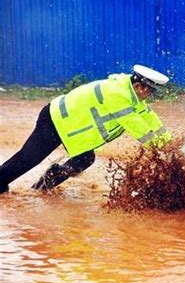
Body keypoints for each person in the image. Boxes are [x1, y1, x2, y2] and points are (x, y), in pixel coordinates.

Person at [0, 65, 173, 193]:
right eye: (150, 92)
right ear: (139, 87)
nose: (149, 96)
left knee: (84, 159)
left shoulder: (132, 96)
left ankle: (42, 187)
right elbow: (136, 126)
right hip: (55, 120)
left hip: (70, 127)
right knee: (28, 159)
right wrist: (158, 150)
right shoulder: (117, 94)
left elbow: (150, 118)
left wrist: (170, 145)